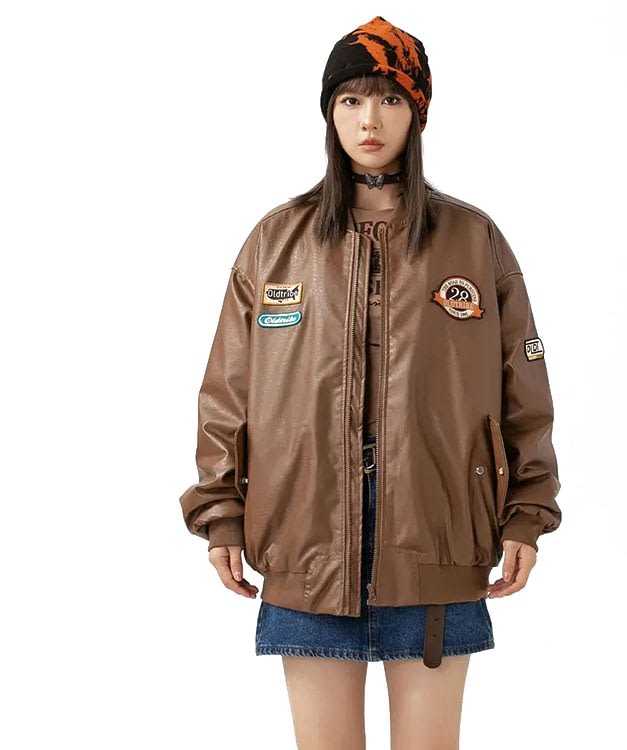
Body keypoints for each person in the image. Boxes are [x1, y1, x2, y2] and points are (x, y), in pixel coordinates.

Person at [179, 15, 562, 750]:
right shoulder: (276, 241)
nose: (369, 120)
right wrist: (220, 512)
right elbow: (227, 392)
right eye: (350, 101)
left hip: (439, 541)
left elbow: (525, 392)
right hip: (305, 544)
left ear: (417, 112)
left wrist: (527, 514)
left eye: (389, 100)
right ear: (329, 113)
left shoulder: (472, 240)